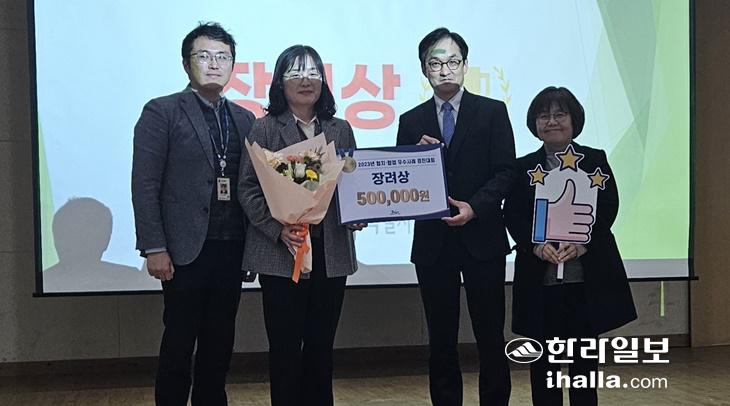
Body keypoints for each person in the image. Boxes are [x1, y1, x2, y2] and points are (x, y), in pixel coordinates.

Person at [131, 22, 255, 406]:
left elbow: (254, 187)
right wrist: (154, 246)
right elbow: (145, 184)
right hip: (184, 250)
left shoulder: (245, 119)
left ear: (232, 65)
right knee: (179, 341)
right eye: (204, 56)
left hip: (231, 247)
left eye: (223, 57)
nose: (214, 64)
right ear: (187, 64)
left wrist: (254, 248)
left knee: (220, 341)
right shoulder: (162, 111)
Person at [238, 45, 364, 406]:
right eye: (295, 73)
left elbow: (351, 182)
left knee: (322, 346)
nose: (305, 80)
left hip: (330, 253)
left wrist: (359, 211)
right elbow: (248, 188)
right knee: (285, 347)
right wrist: (276, 228)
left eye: (313, 73)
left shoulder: (340, 129)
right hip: (282, 253)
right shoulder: (263, 128)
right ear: (280, 82)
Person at [396, 27, 515, 406]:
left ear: (465, 65)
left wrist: (474, 207)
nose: (444, 69)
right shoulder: (411, 120)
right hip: (434, 244)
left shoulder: (492, 112)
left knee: (490, 334)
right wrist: (413, 156)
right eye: (435, 63)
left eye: (452, 61)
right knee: (441, 337)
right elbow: (400, 183)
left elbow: (506, 172)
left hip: (483, 238)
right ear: (424, 69)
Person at [504, 86, 637, 405]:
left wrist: (583, 244)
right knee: (543, 366)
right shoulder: (522, 167)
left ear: (574, 120)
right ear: (534, 124)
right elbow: (513, 215)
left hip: (585, 280)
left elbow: (608, 207)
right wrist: (535, 246)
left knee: (583, 366)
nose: (552, 121)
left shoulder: (594, 160)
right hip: (540, 281)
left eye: (559, 114)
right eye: (544, 116)